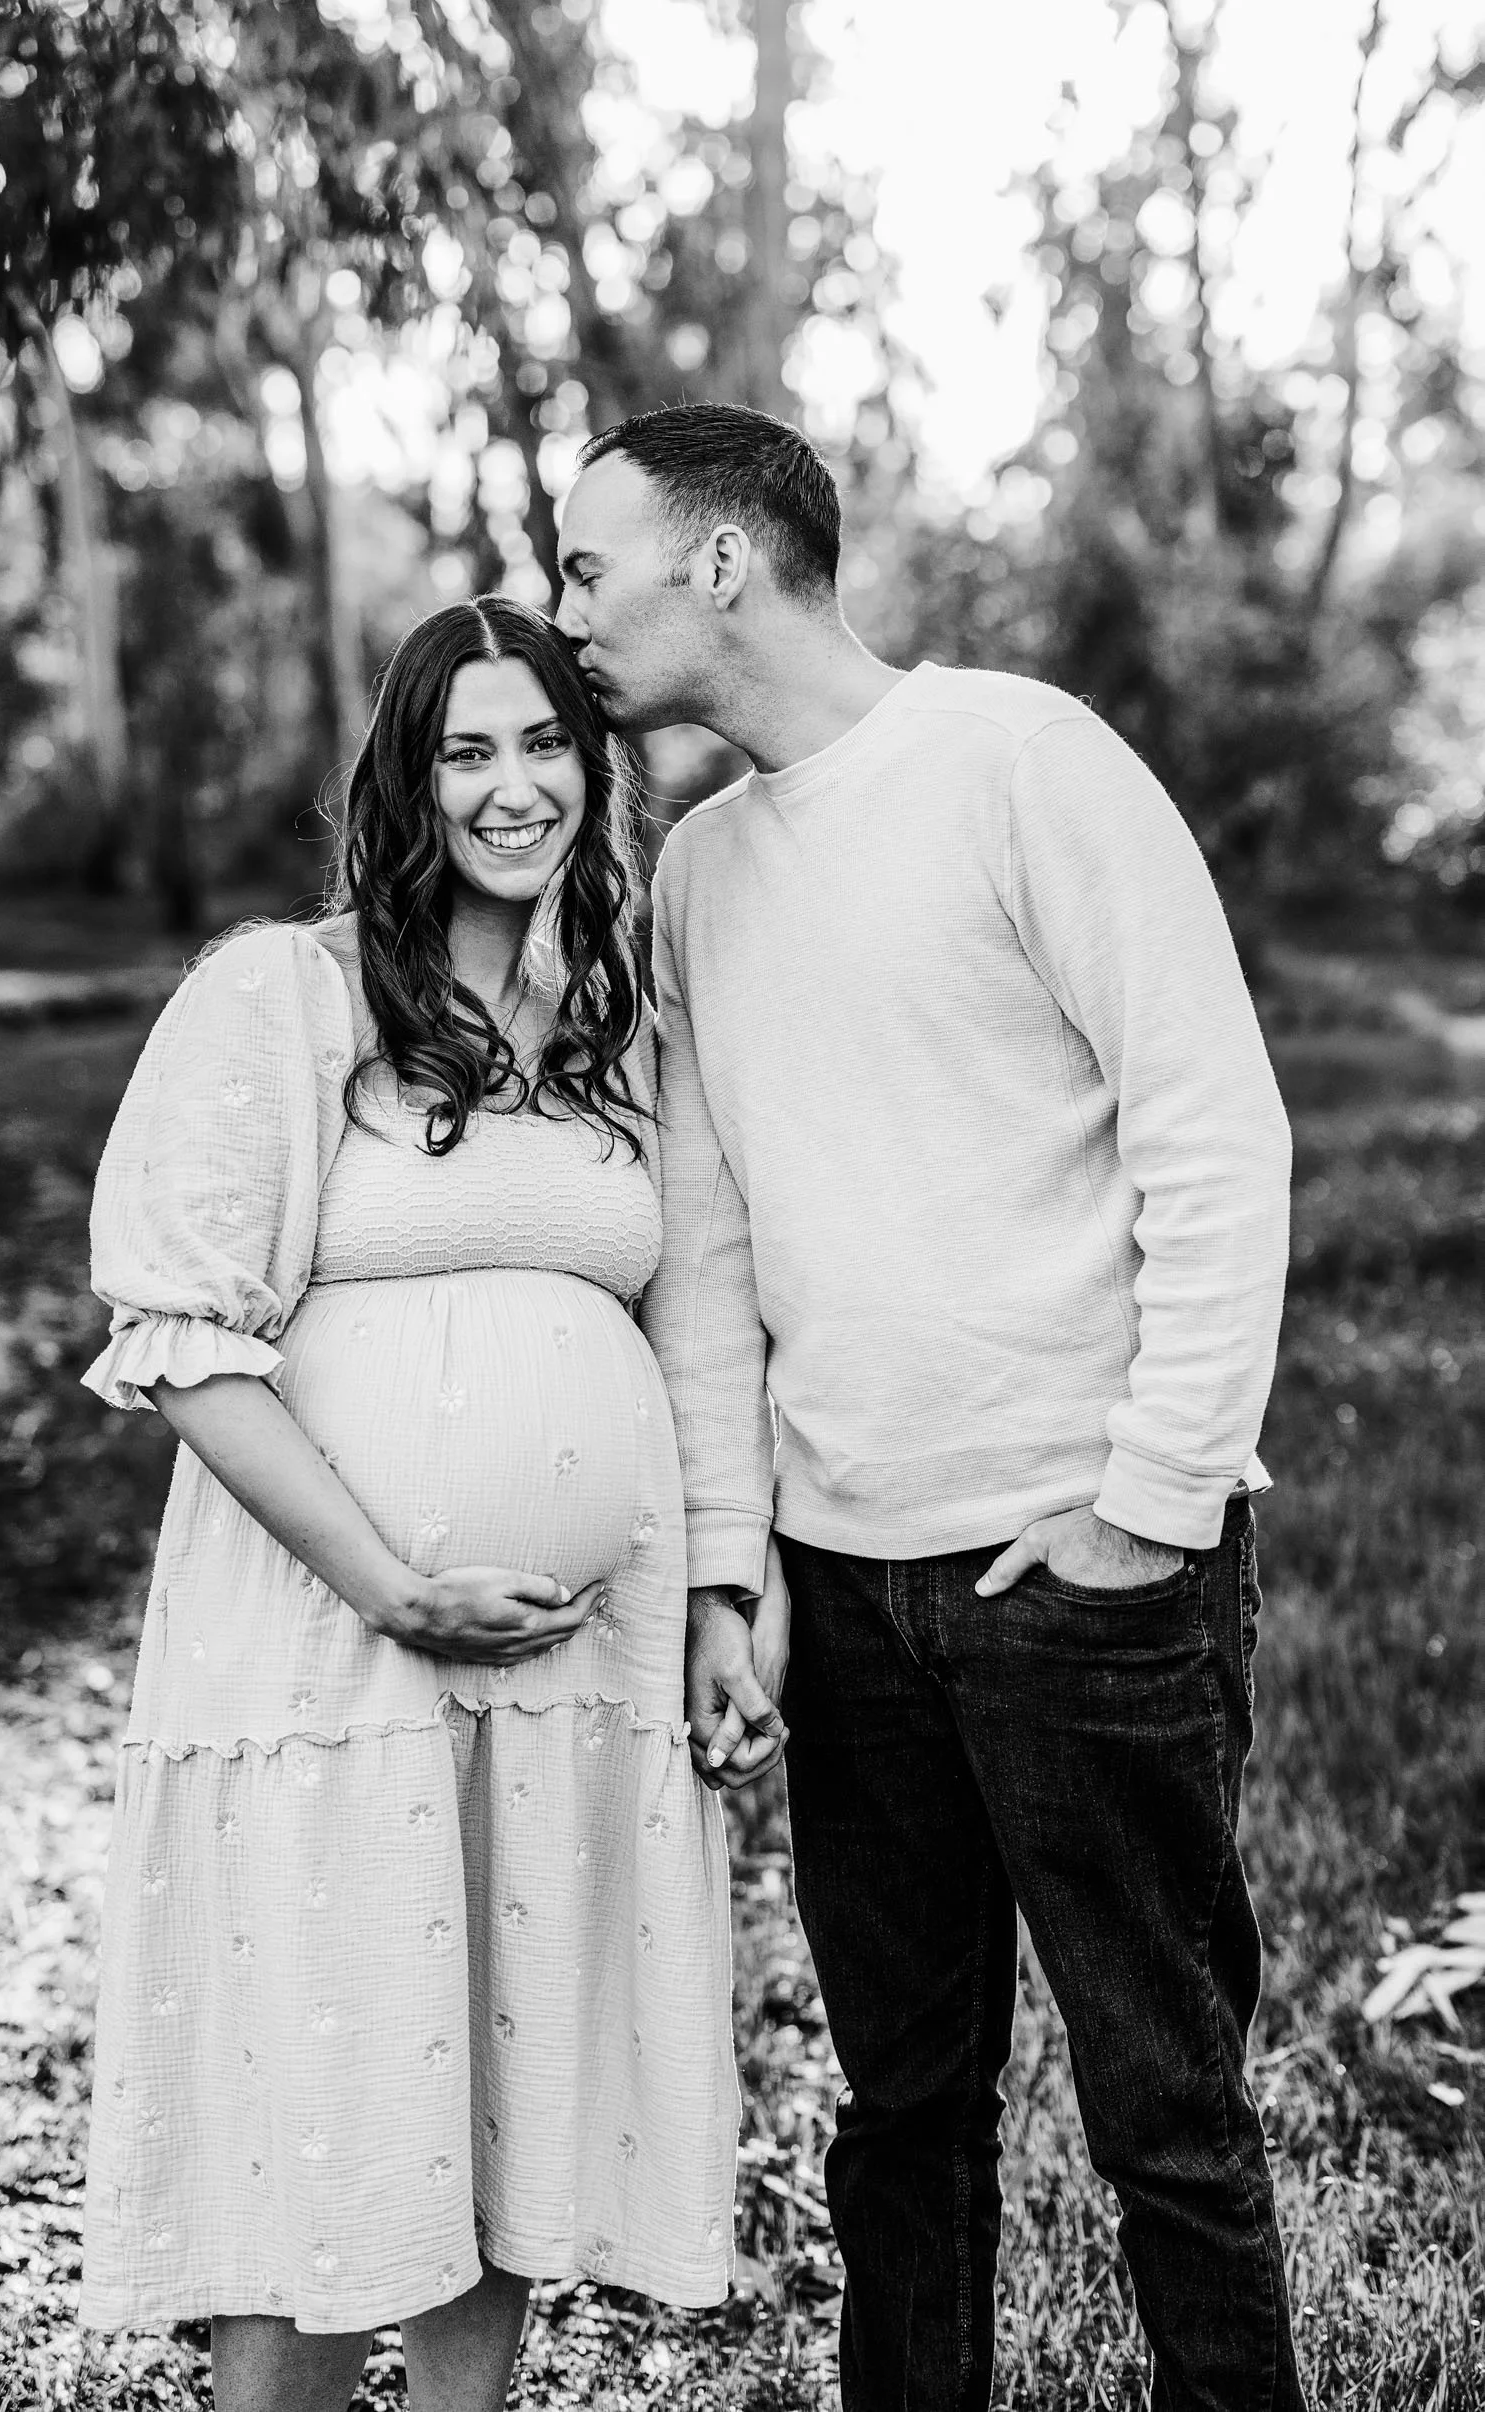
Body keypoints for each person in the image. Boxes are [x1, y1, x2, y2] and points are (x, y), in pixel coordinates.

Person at [556, 402, 1305, 2412]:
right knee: (900, 2117)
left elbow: (1211, 1128)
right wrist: (731, 1568)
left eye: (588, 566)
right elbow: (705, 1248)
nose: (567, 614)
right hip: (845, 1582)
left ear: (720, 561)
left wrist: (1148, 1502)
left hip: (1081, 1569)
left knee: (1165, 2116)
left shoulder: (1020, 764)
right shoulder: (698, 873)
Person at [76, 597, 762, 2412]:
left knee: (503, 2098)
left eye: (544, 743)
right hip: (334, 1649)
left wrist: (721, 1598)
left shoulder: (627, 1025)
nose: (512, 786)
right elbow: (184, 1346)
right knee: (327, 2087)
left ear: (592, 770)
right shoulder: (283, 996)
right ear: (407, 780)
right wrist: (390, 1582)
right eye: (466, 751)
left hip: (575, 1666)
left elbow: (702, 1316)